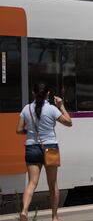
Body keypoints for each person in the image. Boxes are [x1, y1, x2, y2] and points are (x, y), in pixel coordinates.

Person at [16, 83, 72, 221]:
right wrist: (61, 105)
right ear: (48, 94)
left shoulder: (26, 108)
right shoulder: (52, 109)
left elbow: (18, 130)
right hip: (50, 148)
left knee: (32, 183)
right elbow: (69, 122)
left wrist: (29, 132)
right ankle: (54, 216)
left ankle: (24, 211)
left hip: (32, 148)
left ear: (33, 94)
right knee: (52, 184)